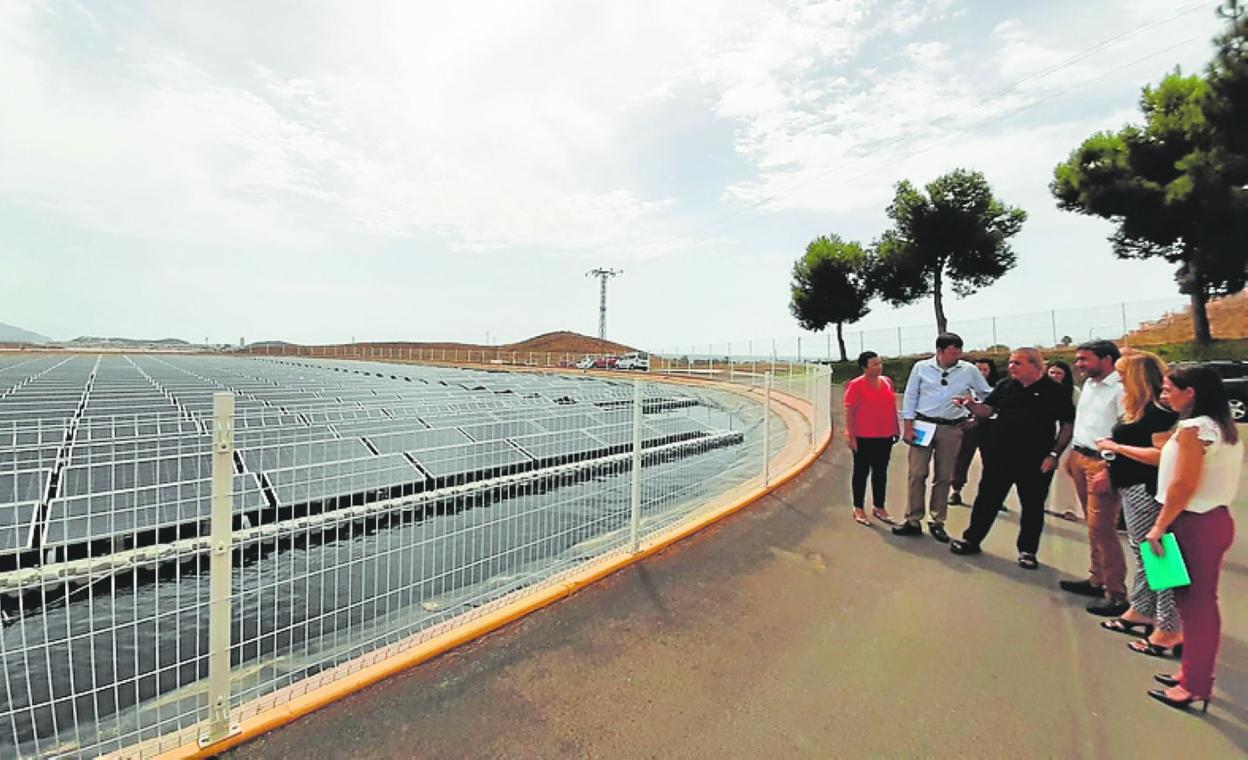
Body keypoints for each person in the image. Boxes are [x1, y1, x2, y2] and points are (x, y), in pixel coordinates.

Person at [1145, 366, 1242, 713]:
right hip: (1203, 521)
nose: (1164, 395)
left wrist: (1158, 526)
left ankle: (1196, 684)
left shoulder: (1194, 429)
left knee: (1197, 605)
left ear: (1192, 393)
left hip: (1192, 523)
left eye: (1170, 389)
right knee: (1184, 599)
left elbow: (1183, 485)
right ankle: (1191, 672)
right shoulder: (1217, 427)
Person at [949, 348, 1075, 569]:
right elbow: (988, 410)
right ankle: (972, 539)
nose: (1011, 367)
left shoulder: (1055, 391)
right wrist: (971, 405)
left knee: (1032, 506)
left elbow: (1067, 425)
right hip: (1001, 455)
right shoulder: (1005, 386)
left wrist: (1054, 454)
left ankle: (1027, 550)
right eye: (1010, 363)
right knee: (987, 499)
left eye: (1017, 363)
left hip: (1037, 459)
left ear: (1035, 366)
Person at [1093, 351, 1181, 656]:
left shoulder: (1158, 412)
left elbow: (1162, 455)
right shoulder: (1139, 409)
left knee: (1159, 556)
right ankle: (1143, 609)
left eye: (1123, 373)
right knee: (1144, 554)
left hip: (1148, 490)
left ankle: (1169, 626)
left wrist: (1116, 447)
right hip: (1132, 488)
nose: (1119, 378)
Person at [893, 333, 993, 543]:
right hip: (923, 425)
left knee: (944, 476)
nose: (958, 356)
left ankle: (937, 521)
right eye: (953, 352)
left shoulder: (969, 370)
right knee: (917, 473)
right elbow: (911, 396)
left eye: (959, 352)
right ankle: (913, 519)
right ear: (940, 351)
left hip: (951, 428)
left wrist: (974, 412)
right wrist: (908, 426)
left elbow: (986, 395)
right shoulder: (921, 368)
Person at [1058, 341, 1128, 616]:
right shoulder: (1089, 385)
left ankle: (1117, 594)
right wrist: (1074, 453)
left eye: (1084, 359)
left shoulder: (1122, 390)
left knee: (1106, 529)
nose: (1079, 365)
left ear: (1107, 359)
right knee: (1094, 526)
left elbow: (1128, 434)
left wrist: (1109, 468)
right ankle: (1097, 579)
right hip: (1082, 457)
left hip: (1104, 464)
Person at [842, 351, 900, 527]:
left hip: (885, 435)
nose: (879, 367)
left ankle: (879, 507)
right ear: (864, 367)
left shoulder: (887, 382)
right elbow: (849, 412)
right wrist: (851, 436)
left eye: (880, 363)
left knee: (880, 472)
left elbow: (892, 408)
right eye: (874, 364)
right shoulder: (856, 385)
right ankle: (858, 507)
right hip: (863, 436)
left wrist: (896, 428)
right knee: (861, 472)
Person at [950, 359, 999, 507]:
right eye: (978, 370)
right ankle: (956, 490)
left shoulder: (996, 388)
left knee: (992, 462)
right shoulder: (964, 387)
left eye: (985, 370)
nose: (981, 373)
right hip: (969, 427)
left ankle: (992, 495)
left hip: (991, 427)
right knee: (962, 459)